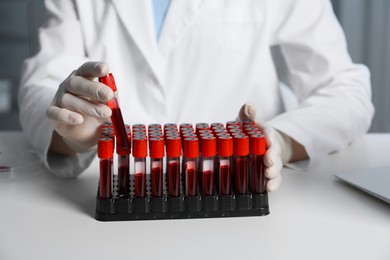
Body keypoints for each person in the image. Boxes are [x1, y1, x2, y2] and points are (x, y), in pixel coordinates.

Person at [18, 0, 374, 191]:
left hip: (237, 189)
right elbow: (42, 83)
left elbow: (345, 88)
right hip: (117, 190)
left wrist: (280, 141)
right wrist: (73, 135)